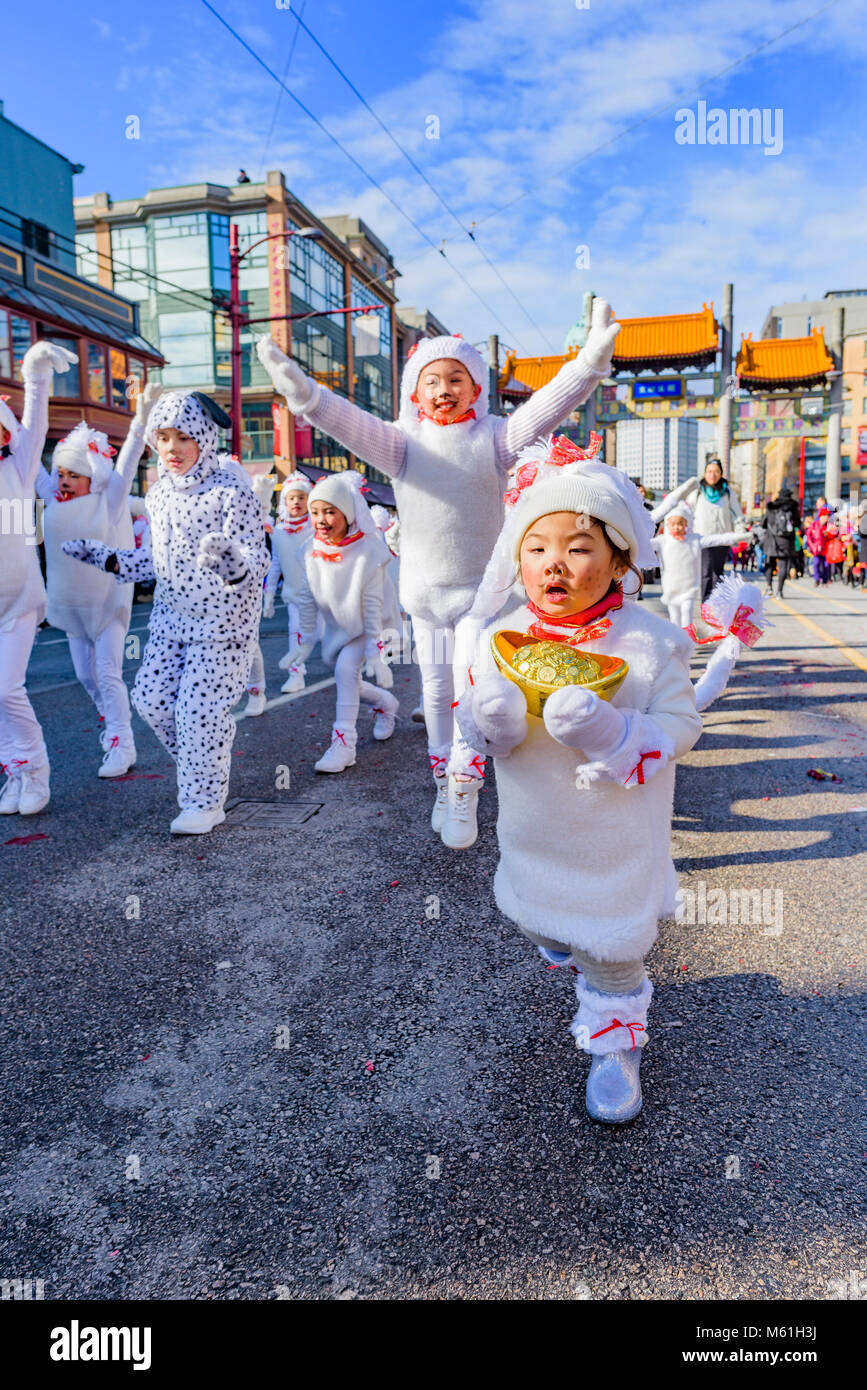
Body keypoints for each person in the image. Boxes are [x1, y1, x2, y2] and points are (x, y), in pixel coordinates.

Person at [256, 297, 621, 850]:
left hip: (484, 598)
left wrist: (590, 363)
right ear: (414, 391)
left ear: (477, 388)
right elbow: (347, 422)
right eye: (432, 380)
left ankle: (463, 785)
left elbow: (547, 407)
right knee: (433, 696)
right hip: (424, 597)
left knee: (474, 691)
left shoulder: (495, 438)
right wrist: (304, 393)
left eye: (457, 378)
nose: (444, 389)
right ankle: (440, 781)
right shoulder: (401, 444)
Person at [452, 435, 702, 1123]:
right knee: (544, 921)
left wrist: (614, 733)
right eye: (536, 547)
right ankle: (561, 939)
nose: (553, 563)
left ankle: (615, 1045)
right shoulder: (500, 637)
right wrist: (490, 722)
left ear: (620, 559)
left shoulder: (650, 643)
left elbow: (682, 726)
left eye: (578, 546)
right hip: (535, 830)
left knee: (608, 947)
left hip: (615, 844)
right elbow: (478, 735)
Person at [63, 391, 269, 835]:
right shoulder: (157, 495)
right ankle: (204, 764)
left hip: (223, 625)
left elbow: (256, 560)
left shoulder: (232, 490)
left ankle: (204, 800)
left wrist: (230, 561)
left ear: (205, 439)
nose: (172, 448)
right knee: (151, 701)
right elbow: (153, 562)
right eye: (164, 438)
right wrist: (106, 557)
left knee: (198, 712)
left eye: (183, 438)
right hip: (171, 622)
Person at [36, 387, 161, 776]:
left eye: (75, 474)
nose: (65, 481)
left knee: (107, 673)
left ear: (93, 477)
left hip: (109, 604)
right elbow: (27, 462)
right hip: (71, 608)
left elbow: (126, 464)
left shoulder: (110, 500)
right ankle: (114, 727)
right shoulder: (52, 499)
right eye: (61, 473)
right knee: (86, 677)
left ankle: (122, 743)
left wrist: (141, 417)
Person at [0, 340, 77, 816]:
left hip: (18, 600)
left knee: (6, 688)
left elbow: (38, 423)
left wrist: (35, 374)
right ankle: (14, 774)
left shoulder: (19, 467)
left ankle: (37, 770)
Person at [280, 470, 398, 773]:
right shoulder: (312, 550)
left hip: (370, 625)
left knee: (346, 670)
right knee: (348, 679)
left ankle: (344, 743)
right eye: (315, 512)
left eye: (330, 511)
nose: (321, 519)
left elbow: (374, 604)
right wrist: (303, 644)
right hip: (338, 628)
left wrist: (375, 651)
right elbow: (307, 599)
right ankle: (385, 703)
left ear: (347, 513)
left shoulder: (369, 550)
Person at [263, 472, 315, 695]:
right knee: (296, 631)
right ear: (284, 501)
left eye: (302, 497)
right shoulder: (278, 531)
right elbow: (275, 563)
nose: (297, 502)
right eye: (292, 498)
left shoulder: (316, 528)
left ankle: (350, 668)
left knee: (331, 634)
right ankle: (296, 673)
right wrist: (268, 598)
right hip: (294, 594)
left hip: (321, 592)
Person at [652, 502, 741, 628]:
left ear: (686, 524)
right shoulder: (663, 541)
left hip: (689, 587)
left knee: (687, 611)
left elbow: (716, 539)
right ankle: (677, 640)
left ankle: (687, 639)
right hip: (671, 587)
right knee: (674, 617)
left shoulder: (694, 540)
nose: (677, 527)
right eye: (673, 524)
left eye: (681, 524)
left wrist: (738, 537)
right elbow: (644, 544)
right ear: (668, 525)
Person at [691, 457, 744, 600]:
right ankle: (706, 603)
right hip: (703, 538)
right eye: (709, 471)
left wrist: (741, 532)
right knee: (706, 571)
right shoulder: (697, 492)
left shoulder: (728, 492)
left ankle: (716, 602)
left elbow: (737, 514)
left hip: (722, 537)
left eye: (716, 472)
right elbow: (688, 512)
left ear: (721, 474)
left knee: (718, 571)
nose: (712, 475)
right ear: (704, 473)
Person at [760, 484, 801, 598]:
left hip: (771, 540)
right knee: (783, 566)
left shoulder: (771, 508)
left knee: (769, 563)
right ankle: (780, 590)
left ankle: (769, 586)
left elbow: (763, 523)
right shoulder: (793, 508)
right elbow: (798, 524)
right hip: (786, 541)